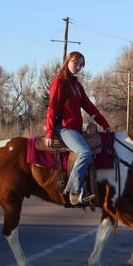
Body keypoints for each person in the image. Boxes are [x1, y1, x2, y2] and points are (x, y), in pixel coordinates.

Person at [45, 51, 111, 206]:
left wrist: (105, 124)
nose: (79, 67)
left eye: (81, 65)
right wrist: (49, 132)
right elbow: (52, 108)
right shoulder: (59, 82)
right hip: (63, 128)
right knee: (85, 151)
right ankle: (73, 192)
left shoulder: (76, 85)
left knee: (95, 149)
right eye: (76, 63)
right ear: (67, 61)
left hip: (74, 128)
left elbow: (89, 106)